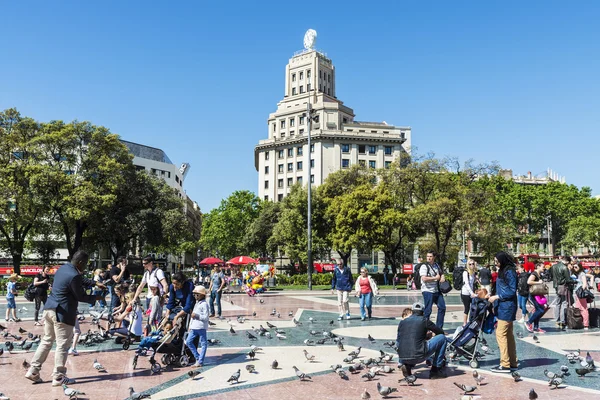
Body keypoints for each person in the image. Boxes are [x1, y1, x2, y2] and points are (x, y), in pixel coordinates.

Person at [25, 250, 101, 386]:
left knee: (46, 341)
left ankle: (33, 370)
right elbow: (81, 296)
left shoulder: (63, 268)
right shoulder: (74, 276)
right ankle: (59, 376)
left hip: (49, 309)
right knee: (63, 345)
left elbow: (78, 279)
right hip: (62, 313)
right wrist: (96, 297)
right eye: (85, 264)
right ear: (81, 262)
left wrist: (94, 283)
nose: (85, 266)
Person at [396, 302, 447, 379]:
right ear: (423, 312)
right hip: (419, 356)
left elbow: (404, 339)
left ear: (412, 311)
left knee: (405, 342)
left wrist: (425, 336)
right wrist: (430, 335)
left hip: (403, 357)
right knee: (442, 338)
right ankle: (435, 370)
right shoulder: (424, 320)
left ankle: (407, 366)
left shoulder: (402, 322)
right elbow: (440, 332)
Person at [487, 251, 518, 373]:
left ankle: (505, 364)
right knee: (508, 335)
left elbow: (511, 290)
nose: (496, 263)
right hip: (503, 306)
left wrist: (497, 296)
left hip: (507, 306)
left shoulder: (509, 271)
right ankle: (512, 362)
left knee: (500, 334)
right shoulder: (503, 270)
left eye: (497, 261)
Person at [420, 251, 446, 329]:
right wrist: (435, 278)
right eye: (428, 256)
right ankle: (425, 329)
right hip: (427, 291)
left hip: (436, 290)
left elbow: (441, 273)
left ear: (434, 257)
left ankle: (438, 329)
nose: (429, 258)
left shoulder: (436, 265)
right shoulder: (424, 266)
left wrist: (442, 277)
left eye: (431, 256)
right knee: (428, 310)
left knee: (442, 307)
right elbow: (424, 278)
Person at [186, 285, 210, 367]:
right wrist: (190, 325)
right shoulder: (197, 303)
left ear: (202, 295)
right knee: (188, 341)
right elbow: (192, 316)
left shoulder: (204, 304)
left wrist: (196, 316)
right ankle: (198, 357)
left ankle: (200, 361)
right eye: (194, 294)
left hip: (201, 327)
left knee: (203, 343)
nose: (195, 296)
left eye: (197, 294)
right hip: (194, 327)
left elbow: (206, 317)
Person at [525, 263, 547, 334]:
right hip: (534, 294)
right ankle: (529, 322)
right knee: (540, 310)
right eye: (543, 267)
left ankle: (536, 327)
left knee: (539, 309)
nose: (544, 268)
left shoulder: (539, 274)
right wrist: (538, 282)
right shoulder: (534, 274)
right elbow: (529, 281)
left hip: (537, 294)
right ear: (538, 266)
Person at [550, 255, 571, 329]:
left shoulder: (554, 266)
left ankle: (557, 319)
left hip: (556, 286)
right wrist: (573, 281)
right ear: (567, 261)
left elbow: (550, 275)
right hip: (562, 286)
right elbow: (568, 279)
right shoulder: (564, 267)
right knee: (564, 303)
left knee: (557, 303)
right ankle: (562, 320)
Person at [573, 263, 592, 330]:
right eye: (574, 267)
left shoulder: (582, 274)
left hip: (580, 293)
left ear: (579, 267)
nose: (574, 268)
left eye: (576, 267)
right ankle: (580, 323)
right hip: (578, 293)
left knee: (584, 309)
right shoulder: (579, 274)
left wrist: (581, 292)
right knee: (578, 308)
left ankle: (586, 324)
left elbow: (584, 284)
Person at [460, 260, 478, 325]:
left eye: (473, 264)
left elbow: (473, 283)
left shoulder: (473, 273)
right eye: (470, 264)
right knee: (467, 308)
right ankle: (464, 323)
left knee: (474, 308)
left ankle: (472, 321)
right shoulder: (465, 273)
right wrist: (472, 293)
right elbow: (466, 284)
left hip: (471, 293)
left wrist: (477, 279)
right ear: (468, 265)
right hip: (465, 293)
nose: (471, 265)